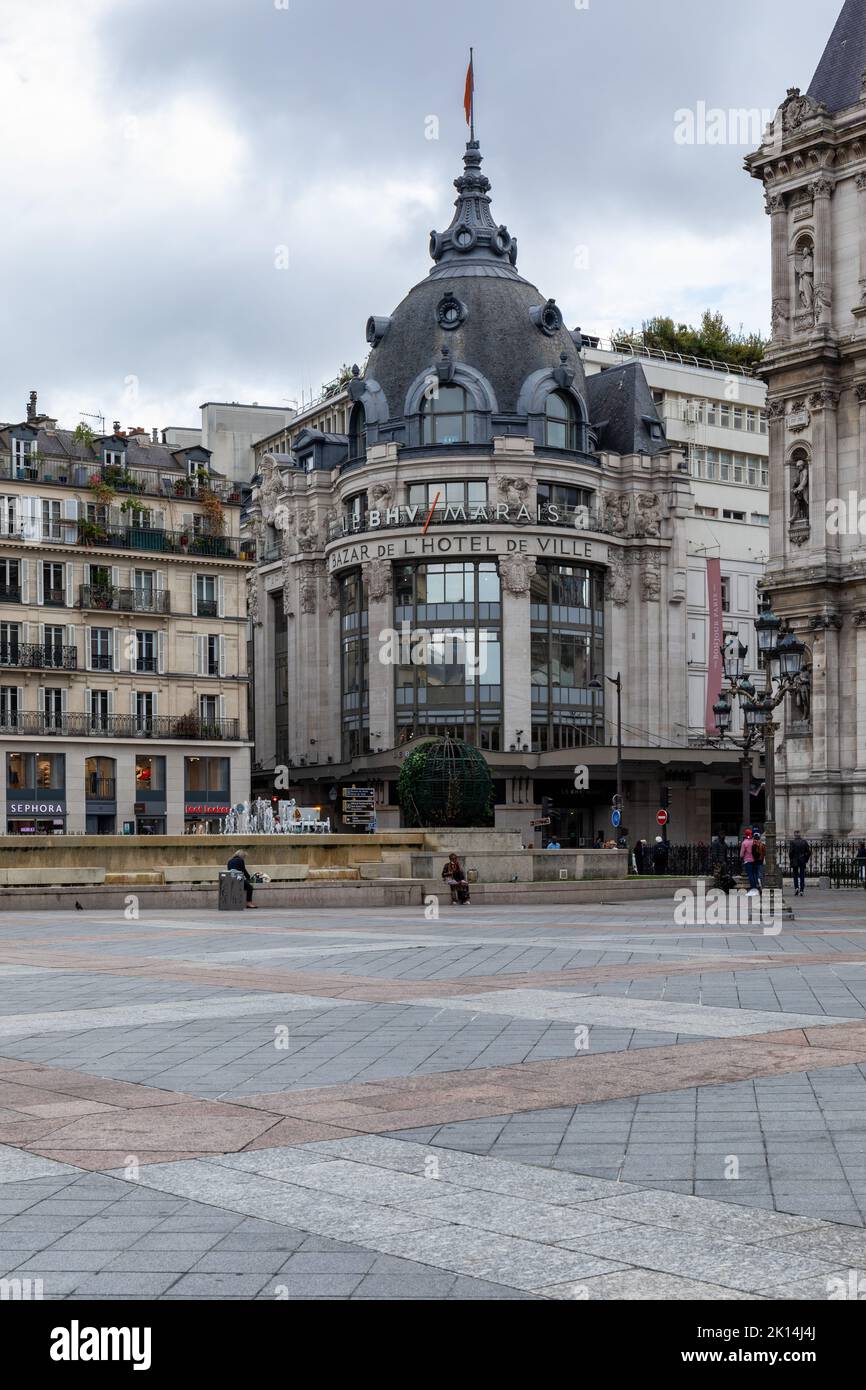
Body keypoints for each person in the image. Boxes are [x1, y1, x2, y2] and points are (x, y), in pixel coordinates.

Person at [788, 831, 811, 897]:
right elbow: (809, 852)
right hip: (802, 859)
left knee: (795, 875)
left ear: (795, 835)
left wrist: (791, 859)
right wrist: (805, 859)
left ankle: (796, 888)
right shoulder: (804, 842)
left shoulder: (792, 842)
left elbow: (791, 852)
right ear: (800, 835)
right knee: (802, 875)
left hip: (795, 860)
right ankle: (801, 890)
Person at [740, 828, 758, 896]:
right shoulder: (754, 841)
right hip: (755, 860)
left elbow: (741, 854)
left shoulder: (744, 842)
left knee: (750, 875)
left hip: (748, 860)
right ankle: (756, 888)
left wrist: (743, 857)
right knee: (754, 874)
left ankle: (753, 890)